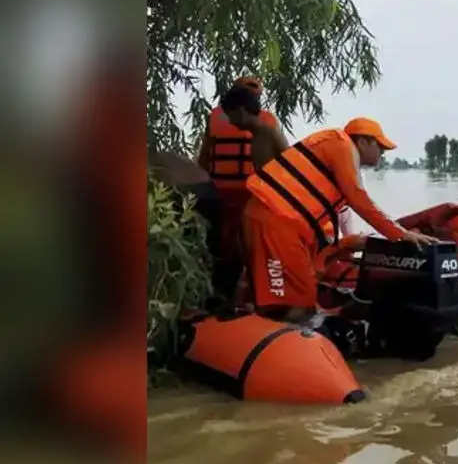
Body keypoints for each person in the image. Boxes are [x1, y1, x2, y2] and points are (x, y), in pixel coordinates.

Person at [241, 117, 439, 322]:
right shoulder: (341, 145)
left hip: (270, 218)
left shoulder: (338, 152)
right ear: (362, 141)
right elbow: (359, 200)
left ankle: (263, 330)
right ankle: (285, 344)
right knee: (301, 306)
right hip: (276, 221)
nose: (382, 153)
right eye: (380, 146)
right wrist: (400, 234)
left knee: (277, 300)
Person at [194, 77, 286, 301]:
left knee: (225, 248)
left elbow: (204, 157)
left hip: (225, 192)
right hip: (245, 195)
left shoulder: (217, 116)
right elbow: (286, 164)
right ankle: (239, 296)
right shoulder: (268, 122)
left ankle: (225, 294)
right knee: (241, 248)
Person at [148, 151, 233, 302]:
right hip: (207, 191)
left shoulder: (150, 166)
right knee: (204, 253)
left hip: (188, 194)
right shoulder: (166, 158)